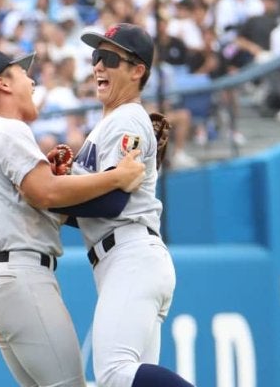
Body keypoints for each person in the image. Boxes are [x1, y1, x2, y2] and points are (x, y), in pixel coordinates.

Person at [0, 48, 147, 387]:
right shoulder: (7, 128)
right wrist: (116, 177)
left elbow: (41, 198)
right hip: (21, 276)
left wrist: (59, 178)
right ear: (2, 83)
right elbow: (44, 193)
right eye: (22, 73)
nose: (32, 80)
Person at [66, 23, 193, 387]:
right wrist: (59, 196)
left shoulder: (128, 117)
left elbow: (112, 201)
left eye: (109, 58)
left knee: (115, 374)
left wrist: (51, 198)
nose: (98, 67)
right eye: (95, 57)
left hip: (130, 254)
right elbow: (94, 203)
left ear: (138, 70)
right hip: (123, 256)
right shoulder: (108, 122)